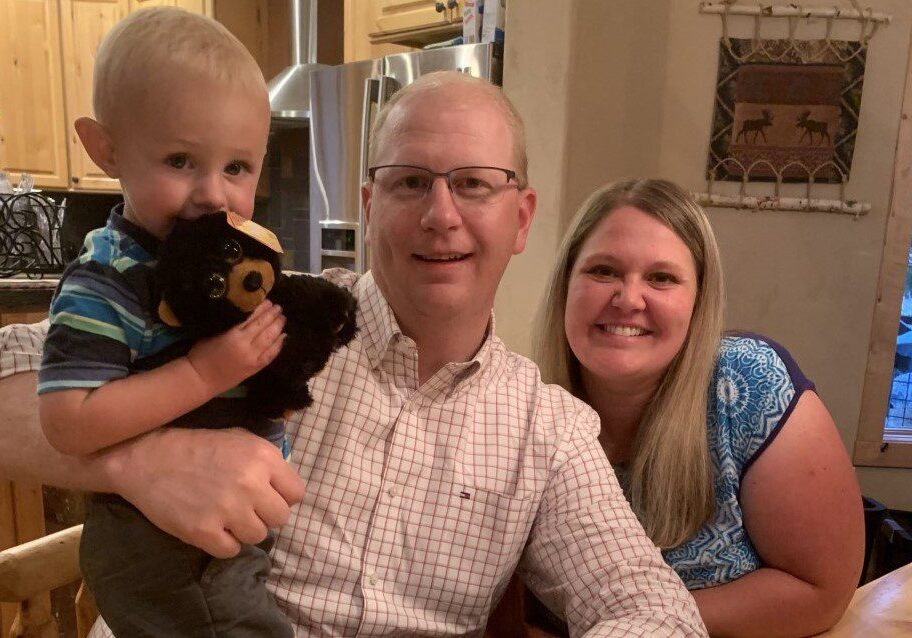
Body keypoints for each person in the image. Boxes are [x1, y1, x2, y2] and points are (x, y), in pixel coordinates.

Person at [0, 74, 708, 636]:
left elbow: (649, 605)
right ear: (369, 205)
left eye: (473, 183)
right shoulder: (256, 317)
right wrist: (143, 461)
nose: (440, 214)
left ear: (520, 218)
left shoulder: (546, 431)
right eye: (409, 182)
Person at [35, 7, 295, 636]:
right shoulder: (112, 277)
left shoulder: (222, 260)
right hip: (159, 550)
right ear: (106, 150)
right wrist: (206, 373)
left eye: (237, 168)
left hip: (222, 543)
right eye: (181, 160)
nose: (212, 194)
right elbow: (67, 423)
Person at [530, 178, 864, 637]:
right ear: (565, 285)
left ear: (698, 301)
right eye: (604, 271)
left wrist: (638, 621)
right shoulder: (520, 413)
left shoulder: (751, 382)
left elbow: (821, 591)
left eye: (661, 278)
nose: (628, 299)